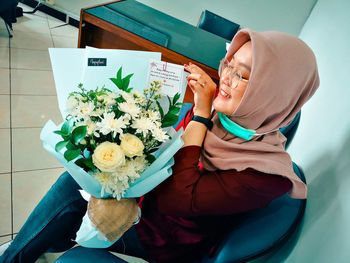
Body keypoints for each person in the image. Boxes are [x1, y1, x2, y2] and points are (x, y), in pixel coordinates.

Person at [0, 28, 319, 263]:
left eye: (244, 76)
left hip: (166, 237)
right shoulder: (228, 115)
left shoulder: (267, 177)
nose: (226, 79)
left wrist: (203, 113)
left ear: (274, 93)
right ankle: (30, 248)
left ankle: (20, 254)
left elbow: (176, 200)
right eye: (229, 66)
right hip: (147, 199)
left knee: (72, 194)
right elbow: (172, 144)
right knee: (81, 179)